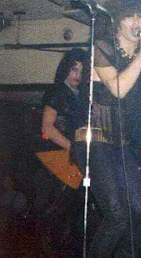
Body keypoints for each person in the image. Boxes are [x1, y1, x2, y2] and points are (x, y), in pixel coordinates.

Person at [73, 0, 141, 258]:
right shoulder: (102, 48)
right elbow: (118, 88)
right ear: (117, 20)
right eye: (130, 16)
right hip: (94, 139)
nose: (137, 23)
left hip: (121, 143)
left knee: (140, 212)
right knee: (115, 215)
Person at [33, 47, 89, 255]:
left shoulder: (82, 96)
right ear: (65, 69)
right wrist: (74, 148)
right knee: (57, 215)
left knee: (72, 217)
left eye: (82, 71)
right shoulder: (58, 91)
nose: (77, 76)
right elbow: (47, 127)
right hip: (56, 157)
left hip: (72, 159)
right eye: (74, 70)